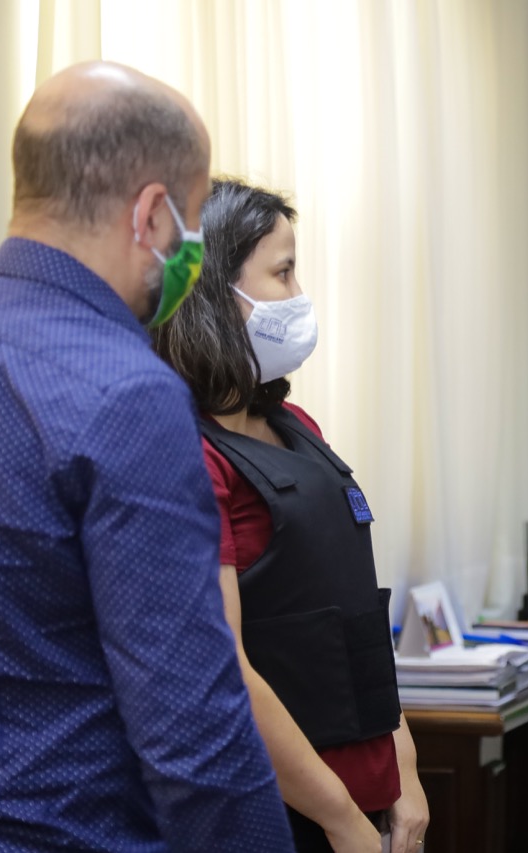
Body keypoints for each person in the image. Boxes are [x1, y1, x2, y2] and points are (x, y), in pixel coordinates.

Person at [0, 62, 296, 850]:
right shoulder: (127, 393)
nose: (192, 248)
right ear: (149, 214)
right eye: (194, 218)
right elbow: (193, 724)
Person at [152, 178, 430, 853]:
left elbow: (356, 624)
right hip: (278, 814)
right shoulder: (188, 453)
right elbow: (226, 669)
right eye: (283, 271)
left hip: (370, 798)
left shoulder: (295, 425)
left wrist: (406, 773)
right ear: (217, 292)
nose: (299, 293)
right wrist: (339, 817)